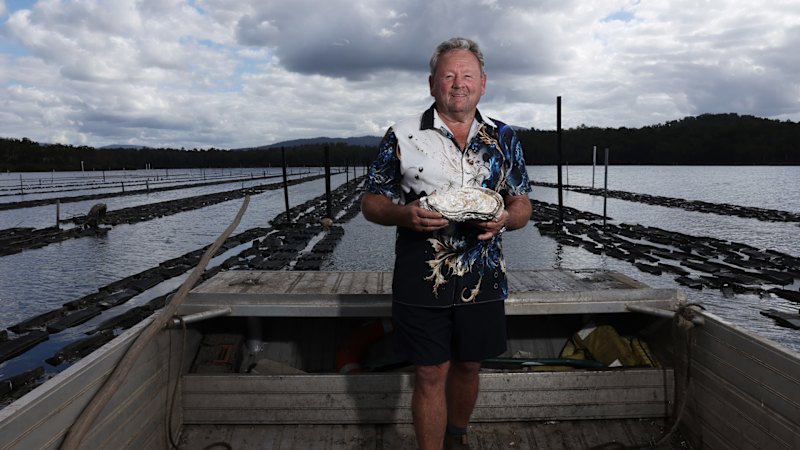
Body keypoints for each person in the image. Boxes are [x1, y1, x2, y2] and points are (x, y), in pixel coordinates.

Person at [361, 37, 532, 450]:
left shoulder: (503, 137)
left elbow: (522, 203)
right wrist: (404, 214)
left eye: (467, 76)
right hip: (421, 276)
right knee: (428, 372)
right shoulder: (402, 135)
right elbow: (370, 202)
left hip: (483, 277)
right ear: (432, 83)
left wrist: (506, 219)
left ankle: (457, 437)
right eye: (449, 75)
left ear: (483, 83)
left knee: (470, 365)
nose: (459, 84)